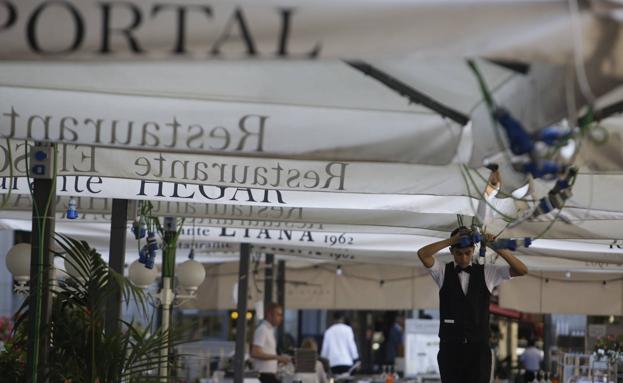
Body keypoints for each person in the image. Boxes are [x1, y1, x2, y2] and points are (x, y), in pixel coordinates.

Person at [417, 227, 528, 383]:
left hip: (478, 350)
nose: (463, 258)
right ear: (451, 251)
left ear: (474, 250)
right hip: (450, 349)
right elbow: (422, 254)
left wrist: (496, 247)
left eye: (468, 253)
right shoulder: (442, 272)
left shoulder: (487, 273)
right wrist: (452, 240)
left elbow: (522, 270)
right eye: (459, 253)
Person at [251, 303, 292, 383]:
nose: (281, 318)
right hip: (264, 375)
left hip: (270, 374)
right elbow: (255, 352)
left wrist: (279, 358)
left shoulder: (269, 330)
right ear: (270, 315)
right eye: (278, 315)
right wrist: (278, 357)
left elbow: (267, 352)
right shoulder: (262, 330)